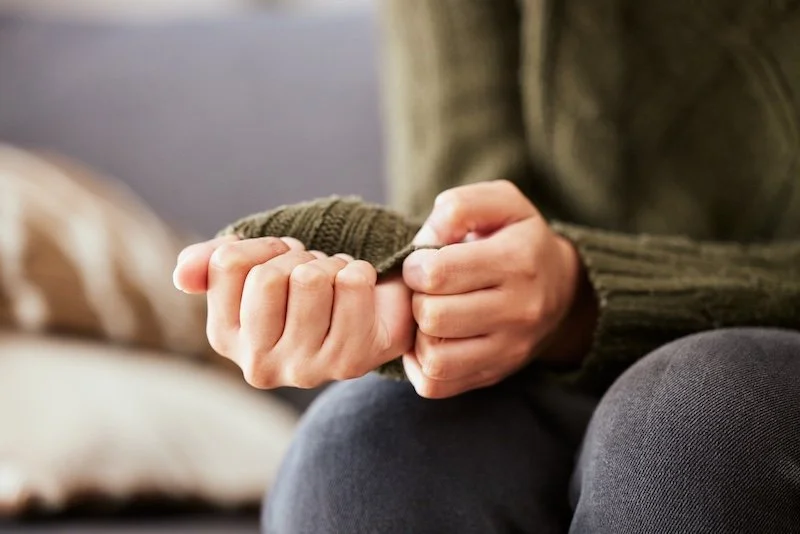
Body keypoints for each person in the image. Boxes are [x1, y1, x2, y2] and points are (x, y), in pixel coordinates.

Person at [172, 1, 800, 532]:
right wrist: (428, 301)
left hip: (739, 351)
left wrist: (577, 292)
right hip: (545, 361)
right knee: (361, 450)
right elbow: (456, 211)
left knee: (697, 420)